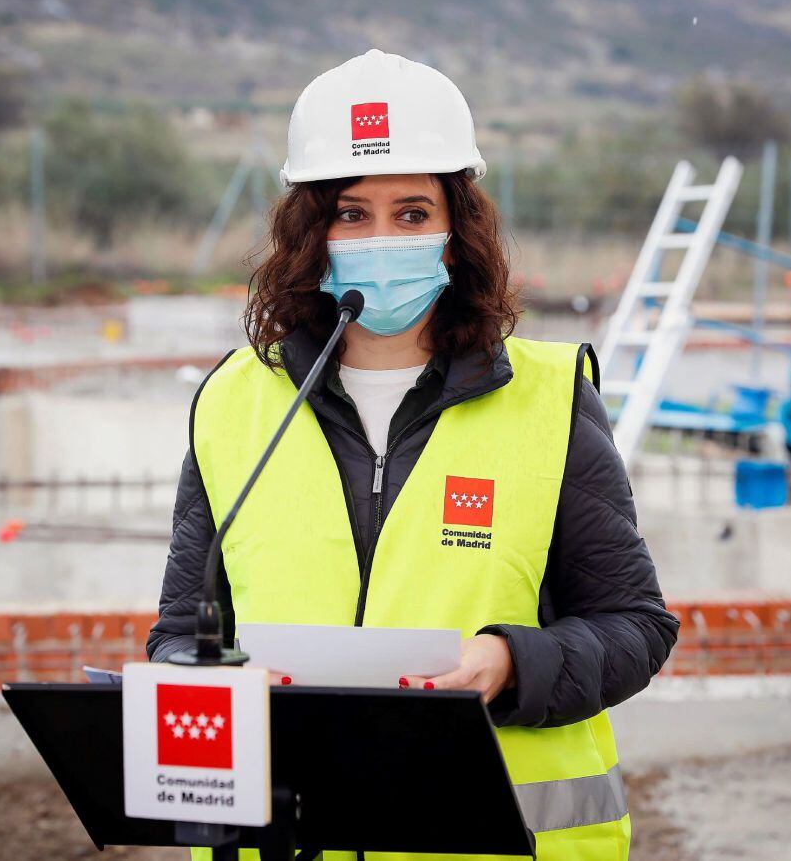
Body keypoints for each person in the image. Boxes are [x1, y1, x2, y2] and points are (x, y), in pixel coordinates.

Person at [148, 48, 678, 861]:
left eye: (411, 213)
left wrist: (513, 660)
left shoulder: (549, 399)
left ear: (456, 232)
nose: (381, 239)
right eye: (352, 214)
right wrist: (203, 676)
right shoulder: (234, 402)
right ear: (311, 233)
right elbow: (184, 629)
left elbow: (635, 626)